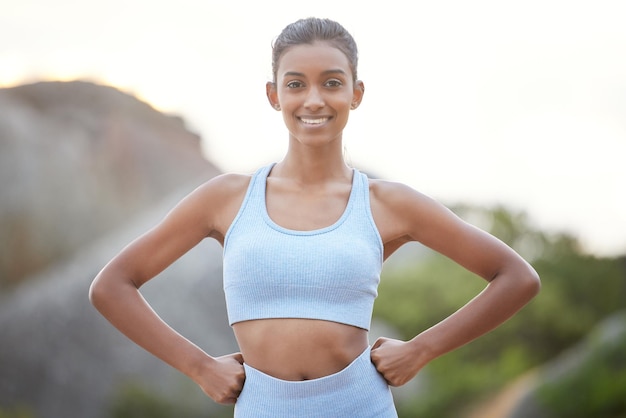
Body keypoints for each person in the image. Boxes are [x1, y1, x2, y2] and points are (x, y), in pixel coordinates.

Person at [89, 17, 541, 417]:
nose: (313, 100)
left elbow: (516, 277)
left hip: (360, 406)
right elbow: (112, 286)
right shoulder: (225, 198)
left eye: (331, 82)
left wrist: (420, 350)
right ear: (273, 95)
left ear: (355, 93)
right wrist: (199, 366)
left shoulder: (388, 203)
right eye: (295, 84)